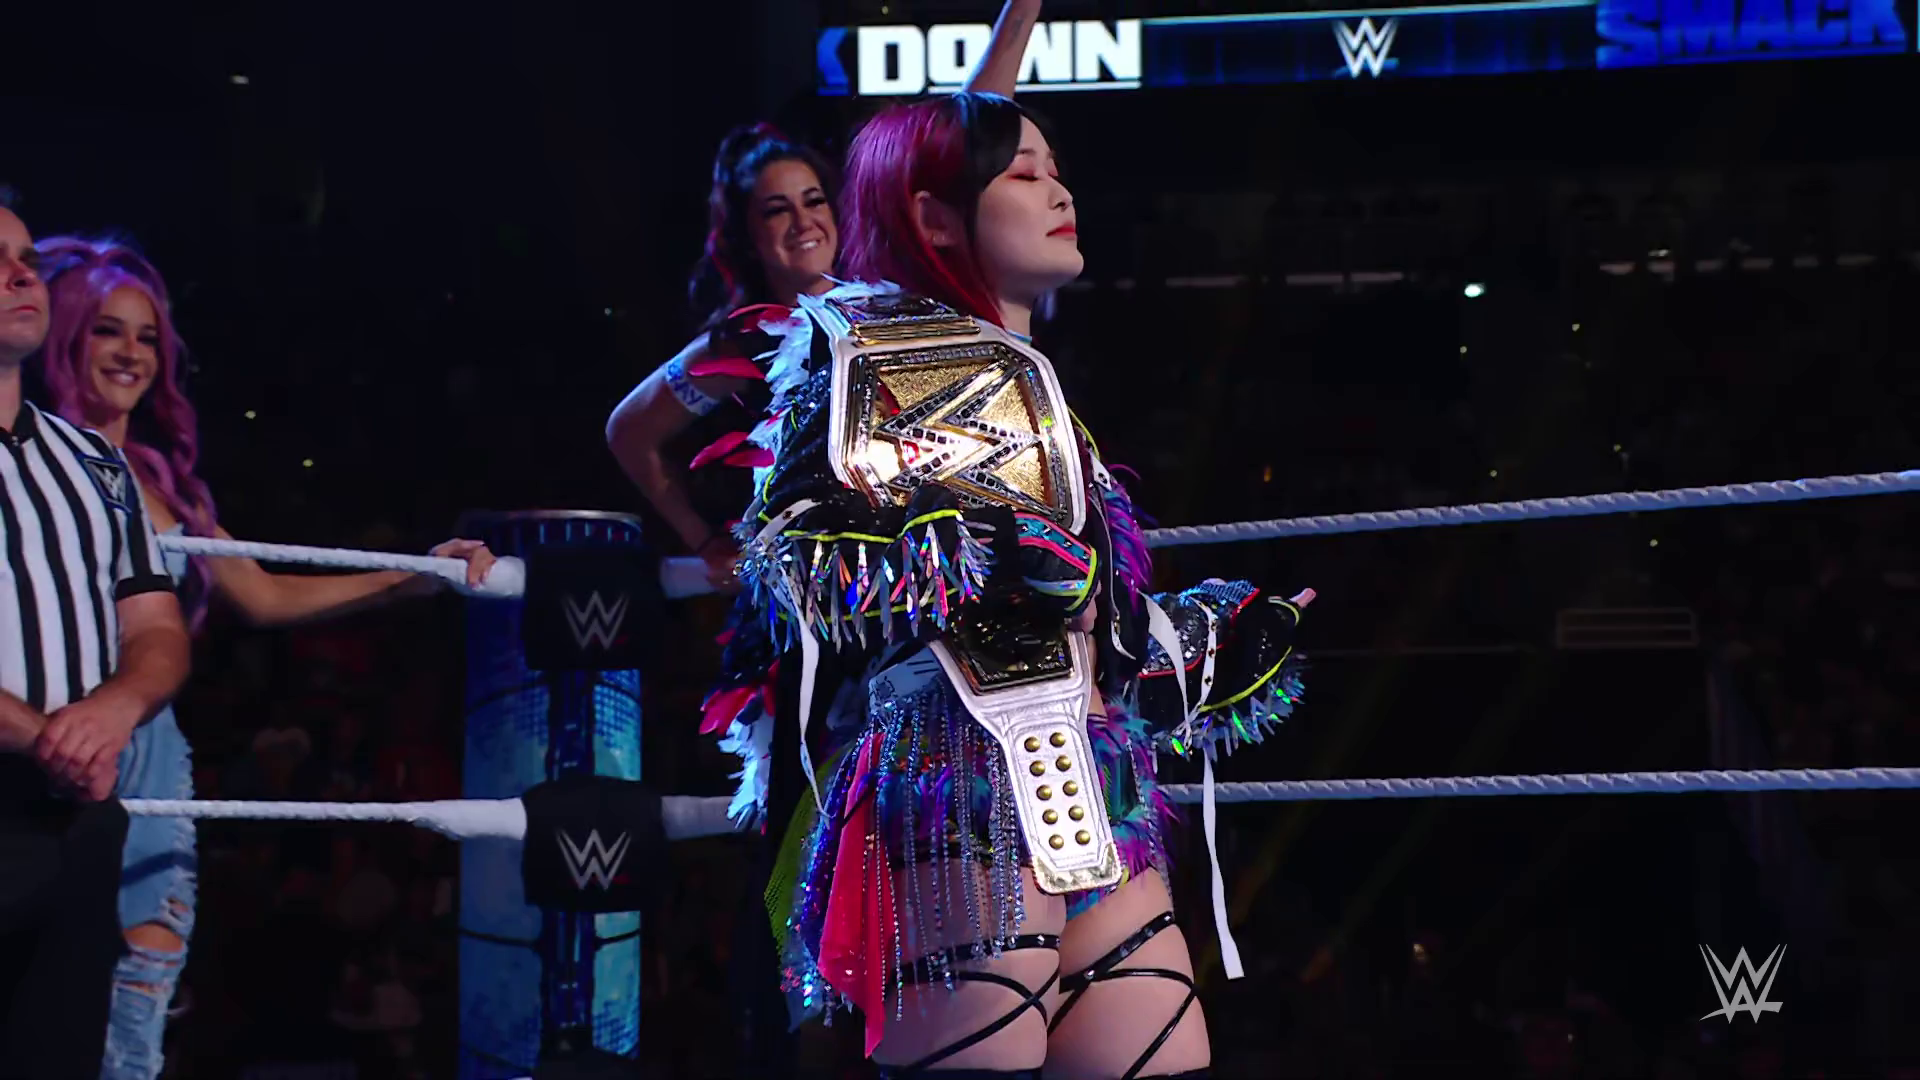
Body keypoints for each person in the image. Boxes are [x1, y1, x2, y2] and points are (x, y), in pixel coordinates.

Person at [699, 91, 1316, 1079]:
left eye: (1054, 169)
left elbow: (1085, 621)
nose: (1057, 191)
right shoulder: (866, 362)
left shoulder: (1044, 397)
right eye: (1023, 173)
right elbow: (792, 562)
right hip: (955, 781)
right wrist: (977, 547)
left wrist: (1200, 640)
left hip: (1094, 787)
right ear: (934, 217)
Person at [603, 3, 1047, 1071]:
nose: (801, 223)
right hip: (813, 648)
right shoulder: (749, 342)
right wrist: (704, 539)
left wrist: (1020, 14)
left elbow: (967, 136)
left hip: (918, 631)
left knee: (930, 885)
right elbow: (630, 432)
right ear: (744, 235)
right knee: (813, 910)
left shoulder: (890, 304)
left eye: (813, 200)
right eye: (775, 211)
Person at [32, 235, 495, 1080]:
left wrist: (418, 576)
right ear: (65, 337)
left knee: (140, 984)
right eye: (107, 331)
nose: (132, 354)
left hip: (146, 738)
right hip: (45, 725)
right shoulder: (30, 464)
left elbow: (265, 594)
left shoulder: (158, 486)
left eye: (146, 336)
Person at [0, 197, 193, 1076]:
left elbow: (156, 625)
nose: (20, 275)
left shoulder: (96, 466)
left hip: (80, 818)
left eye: (25, 260)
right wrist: (50, 737)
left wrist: (114, 709)